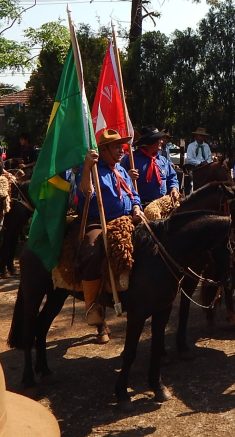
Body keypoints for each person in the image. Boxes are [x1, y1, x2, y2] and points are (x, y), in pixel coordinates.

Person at [76, 129, 143, 342]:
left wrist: (136, 208)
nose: (122, 151)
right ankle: (93, 307)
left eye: (122, 146)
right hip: (100, 221)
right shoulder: (92, 169)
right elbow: (85, 193)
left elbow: (134, 195)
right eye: (116, 147)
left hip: (127, 221)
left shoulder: (122, 171)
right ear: (103, 150)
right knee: (92, 250)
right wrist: (87, 167)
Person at [121, 125, 179, 207]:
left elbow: (172, 177)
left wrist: (174, 188)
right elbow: (119, 181)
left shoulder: (163, 160)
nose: (162, 141)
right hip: (141, 206)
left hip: (163, 205)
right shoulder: (130, 159)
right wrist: (127, 177)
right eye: (159, 139)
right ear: (150, 141)